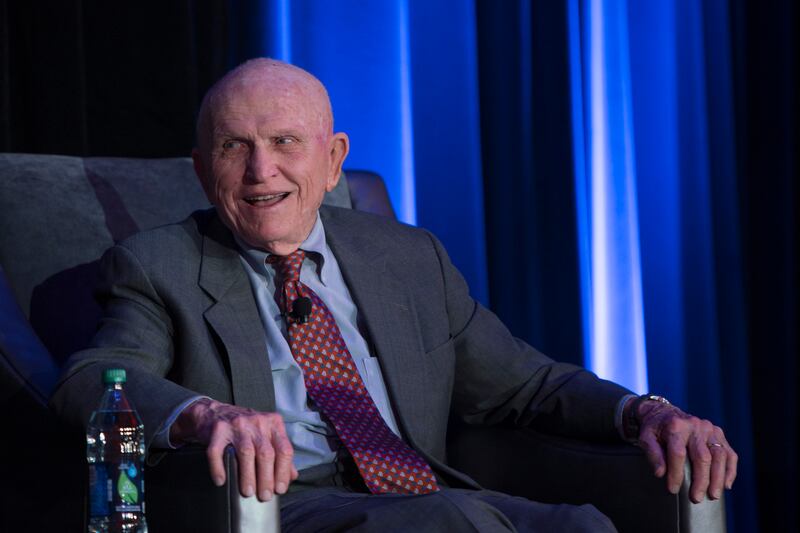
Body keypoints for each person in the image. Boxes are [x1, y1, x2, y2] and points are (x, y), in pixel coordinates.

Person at [50, 58, 737, 532]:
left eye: (285, 142)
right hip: (287, 507)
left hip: (424, 494)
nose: (262, 171)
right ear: (203, 171)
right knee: (454, 519)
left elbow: (526, 383)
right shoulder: (157, 263)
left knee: (582, 524)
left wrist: (646, 410)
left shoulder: (407, 255)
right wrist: (206, 413)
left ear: (332, 159)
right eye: (235, 147)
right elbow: (89, 380)